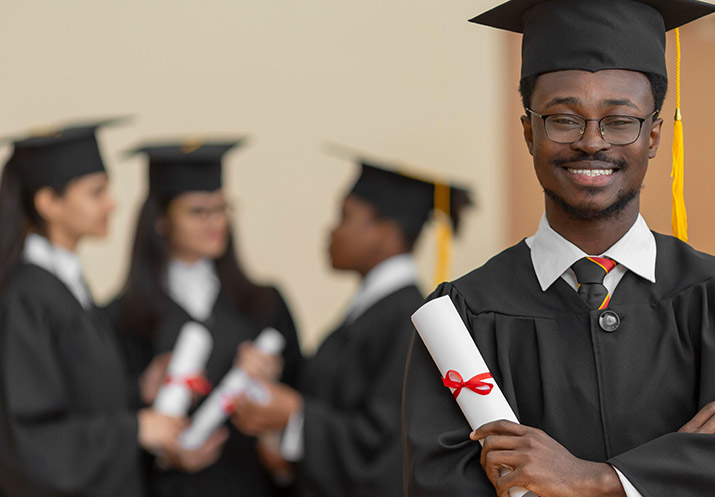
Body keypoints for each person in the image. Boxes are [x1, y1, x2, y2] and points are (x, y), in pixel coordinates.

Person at [402, 1, 715, 496]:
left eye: (619, 121)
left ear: (653, 136)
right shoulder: (464, 317)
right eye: (563, 119)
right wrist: (687, 468)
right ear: (528, 133)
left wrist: (600, 481)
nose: (591, 142)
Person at [231, 156, 472, 497]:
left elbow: (387, 448)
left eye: (344, 216)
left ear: (384, 233)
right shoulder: (370, 313)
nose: (331, 230)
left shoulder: (407, 322)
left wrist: (295, 415)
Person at [103, 139, 304, 496]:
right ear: (161, 221)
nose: (215, 222)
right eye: (197, 211)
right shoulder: (122, 318)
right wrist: (163, 454)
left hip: (248, 484)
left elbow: (299, 403)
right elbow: (110, 419)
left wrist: (270, 386)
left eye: (222, 208)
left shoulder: (264, 305)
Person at [0, 120, 184, 497]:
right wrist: (137, 429)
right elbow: (28, 439)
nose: (112, 203)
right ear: (49, 203)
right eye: (96, 192)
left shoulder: (67, 285)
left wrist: (138, 391)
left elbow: (79, 400)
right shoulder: (26, 298)